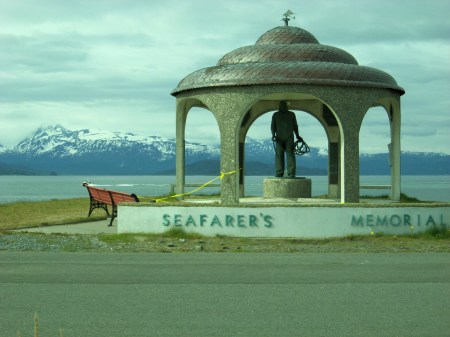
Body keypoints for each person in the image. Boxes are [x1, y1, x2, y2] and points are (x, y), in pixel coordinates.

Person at [271, 101, 302, 177]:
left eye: (284, 105)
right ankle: (279, 172)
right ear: (279, 106)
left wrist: (297, 135)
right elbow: (273, 126)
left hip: (289, 137)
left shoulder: (291, 114)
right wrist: (273, 135)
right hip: (279, 138)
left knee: (290, 155)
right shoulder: (275, 115)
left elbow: (295, 125)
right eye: (282, 105)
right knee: (279, 155)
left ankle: (291, 173)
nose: (283, 106)